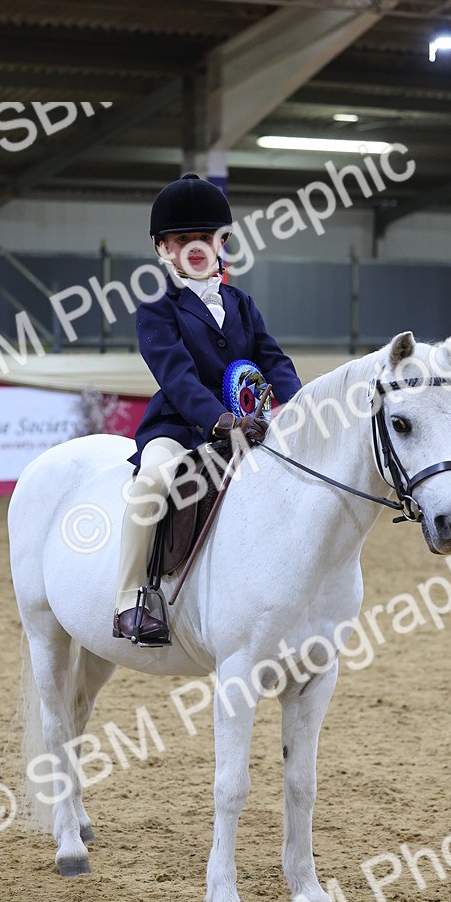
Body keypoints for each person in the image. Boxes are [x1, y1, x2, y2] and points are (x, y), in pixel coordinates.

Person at [113, 172, 302, 644]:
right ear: (162, 249)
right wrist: (219, 421)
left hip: (249, 425)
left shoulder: (241, 304)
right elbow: (174, 375)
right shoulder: (157, 307)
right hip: (181, 426)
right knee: (152, 482)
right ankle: (130, 599)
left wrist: (300, 405)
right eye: (182, 240)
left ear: (222, 244)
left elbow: (272, 358)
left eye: (205, 237)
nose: (195, 248)